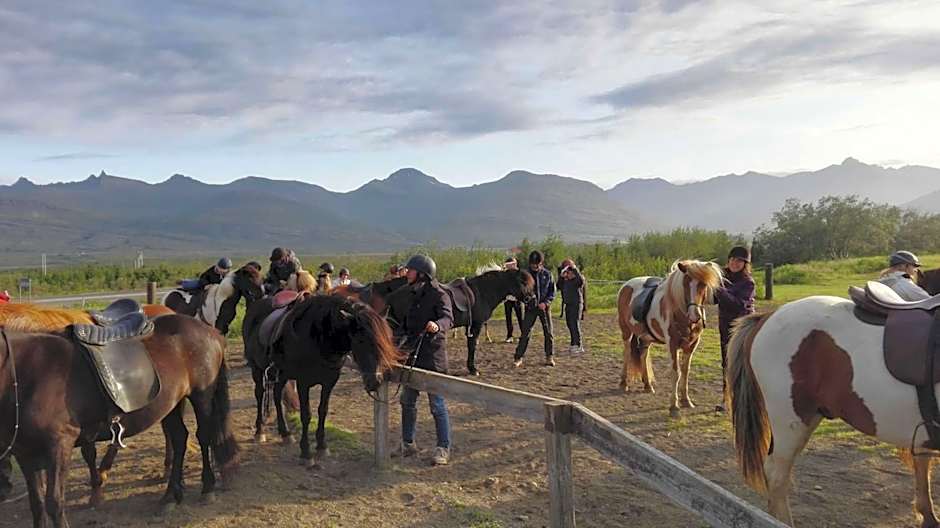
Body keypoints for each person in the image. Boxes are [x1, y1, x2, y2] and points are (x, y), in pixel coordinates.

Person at [396, 254, 453, 466]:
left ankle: (443, 447)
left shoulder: (439, 294)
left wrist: (437, 325)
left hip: (433, 359)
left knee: (437, 405)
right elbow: (407, 323)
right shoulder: (413, 293)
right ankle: (408, 443)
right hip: (413, 357)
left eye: (410, 270)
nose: (406, 273)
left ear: (421, 273)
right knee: (407, 401)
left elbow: (448, 317)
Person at [714, 246, 756, 412]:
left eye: (739, 261)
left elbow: (737, 304)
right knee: (726, 362)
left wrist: (719, 290)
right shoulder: (723, 277)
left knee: (742, 364)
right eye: (732, 259)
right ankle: (726, 398)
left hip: (741, 327)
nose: (734, 263)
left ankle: (745, 399)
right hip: (724, 326)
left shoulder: (748, 283)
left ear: (745, 264)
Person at [513, 250, 555, 367]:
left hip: (544, 308)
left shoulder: (547, 274)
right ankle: (518, 357)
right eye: (532, 264)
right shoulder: (526, 275)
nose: (534, 266)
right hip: (530, 308)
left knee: (548, 333)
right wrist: (526, 302)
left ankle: (549, 356)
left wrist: (546, 303)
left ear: (541, 263)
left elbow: (552, 291)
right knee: (525, 333)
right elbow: (521, 291)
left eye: (537, 264)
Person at [558, 262, 585, 355]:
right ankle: (573, 343)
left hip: (576, 304)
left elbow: (581, 280)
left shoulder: (577, 281)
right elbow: (558, 285)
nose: (568, 274)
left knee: (574, 324)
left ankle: (579, 345)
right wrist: (561, 276)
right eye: (567, 273)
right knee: (569, 324)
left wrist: (575, 269)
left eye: (569, 273)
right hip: (568, 304)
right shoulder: (566, 281)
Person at [502, 257, 524, 343]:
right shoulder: (505, 274)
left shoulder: (519, 273)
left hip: (517, 299)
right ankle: (509, 335)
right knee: (508, 318)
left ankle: (524, 334)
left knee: (520, 317)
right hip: (508, 299)